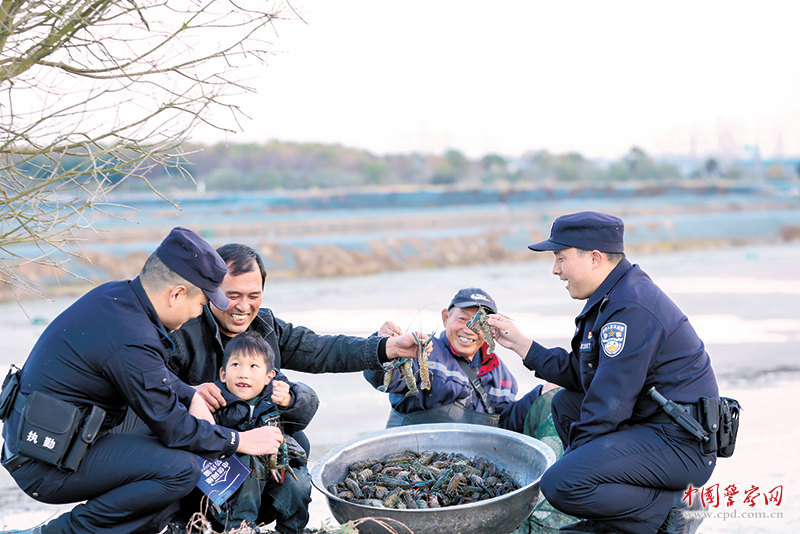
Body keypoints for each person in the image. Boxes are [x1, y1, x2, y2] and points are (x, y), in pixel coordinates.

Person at [0, 227, 284, 534]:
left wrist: (190, 394)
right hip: (44, 464)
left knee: (170, 445)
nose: (197, 313)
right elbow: (175, 429)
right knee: (180, 469)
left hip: (44, 443)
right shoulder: (132, 338)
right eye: (201, 304)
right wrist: (239, 440)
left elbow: (151, 376)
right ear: (176, 294)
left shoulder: (116, 298)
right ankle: (57, 533)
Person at [489, 212, 719, 534]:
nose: (556, 269)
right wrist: (523, 345)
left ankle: (669, 507)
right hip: (653, 428)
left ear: (595, 258)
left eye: (560, 258)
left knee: (560, 484)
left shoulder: (631, 308)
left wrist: (574, 469)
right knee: (565, 404)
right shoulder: (612, 298)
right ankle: (617, 518)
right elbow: (583, 377)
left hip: (680, 444)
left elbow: (609, 403)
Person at [167, 243, 427, 415]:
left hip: (258, 431)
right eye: (233, 295)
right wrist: (190, 394)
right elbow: (149, 387)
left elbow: (324, 350)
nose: (244, 307)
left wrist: (388, 348)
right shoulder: (183, 330)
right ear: (211, 291)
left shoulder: (266, 327)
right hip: (201, 440)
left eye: (254, 295)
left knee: (297, 455)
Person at [364, 288, 546, 431]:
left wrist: (541, 394)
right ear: (446, 318)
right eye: (462, 318)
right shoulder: (421, 350)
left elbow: (504, 422)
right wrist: (383, 346)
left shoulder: (499, 373)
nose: (469, 329)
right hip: (411, 458)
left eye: (480, 323)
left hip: (469, 463)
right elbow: (385, 380)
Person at [208, 331, 318, 534]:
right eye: (236, 365)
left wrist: (289, 400)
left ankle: (292, 529)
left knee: (299, 481)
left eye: (253, 366)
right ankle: (240, 529)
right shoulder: (216, 401)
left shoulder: (274, 399)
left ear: (270, 376)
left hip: (271, 487)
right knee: (249, 462)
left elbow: (305, 413)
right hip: (227, 498)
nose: (243, 373)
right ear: (223, 374)